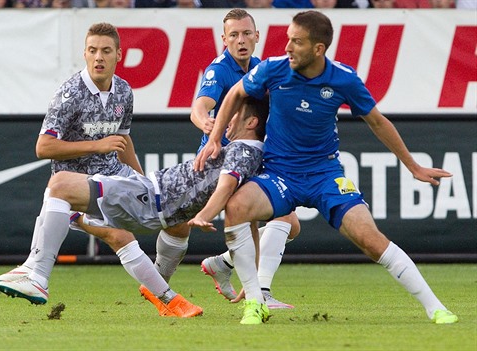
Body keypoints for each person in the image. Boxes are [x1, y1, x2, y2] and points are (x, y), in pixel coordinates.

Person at [193, 10, 459, 325]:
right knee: (237, 207)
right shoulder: (273, 69)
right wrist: (213, 138)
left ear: (319, 49)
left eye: (297, 42)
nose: (288, 47)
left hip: (325, 175)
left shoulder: (343, 78)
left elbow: (377, 121)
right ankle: (255, 301)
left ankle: (436, 307)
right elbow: (236, 93)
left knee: (370, 239)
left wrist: (413, 166)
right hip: (280, 175)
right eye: (288, 39)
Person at [0, 23, 199, 318]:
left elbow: (123, 141)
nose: (98, 57)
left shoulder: (124, 91)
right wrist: (95, 145)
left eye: (105, 51)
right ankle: (170, 300)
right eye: (92, 50)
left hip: (116, 177)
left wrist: (141, 181)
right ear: (84, 54)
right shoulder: (69, 94)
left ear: (119, 55)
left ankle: (157, 281)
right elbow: (43, 147)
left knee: (178, 221)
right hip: (76, 190)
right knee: (120, 236)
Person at [0, 96, 269, 318]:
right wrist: (253, 280)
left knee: (60, 184)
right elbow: (247, 219)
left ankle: (37, 276)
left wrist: (205, 215)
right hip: (153, 197)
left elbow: (225, 187)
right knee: (70, 198)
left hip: (152, 198)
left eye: (233, 113)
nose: (226, 117)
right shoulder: (248, 154)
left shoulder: (242, 151)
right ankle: (165, 295)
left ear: (251, 121)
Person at [189, 8, 300, 310]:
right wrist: (206, 124)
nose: (241, 40)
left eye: (246, 33)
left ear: (257, 36)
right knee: (281, 220)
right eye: (234, 35)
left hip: (247, 159)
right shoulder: (219, 69)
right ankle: (258, 292)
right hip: (223, 161)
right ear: (224, 39)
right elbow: (200, 106)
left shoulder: (260, 67)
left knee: (289, 224)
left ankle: (226, 265)